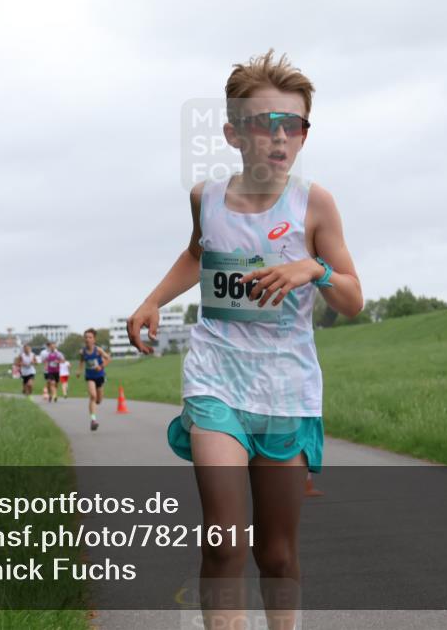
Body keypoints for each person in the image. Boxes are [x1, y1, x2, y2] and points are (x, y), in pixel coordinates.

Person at [126, 50, 362, 629]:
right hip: (216, 380)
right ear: (233, 132)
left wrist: (314, 270)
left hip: (286, 389)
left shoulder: (316, 206)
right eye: (265, 124)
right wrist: (154, 300)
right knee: (225, 544)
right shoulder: (205, 197)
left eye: (294, 126)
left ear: (305, 135)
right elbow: (197, 253)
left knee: (275, 554)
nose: (280, 139)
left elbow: (353, 299)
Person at [77, 328, 111, 432]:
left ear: (94, 339)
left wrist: (101, 366)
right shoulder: (83, 352)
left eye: (90, 337)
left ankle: (95, 405)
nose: (88, 339)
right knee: (93, 396)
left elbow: (108, 359)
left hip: (100, 376)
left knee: (99, 400)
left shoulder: (98, 350)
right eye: (86, 337)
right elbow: (82, 362)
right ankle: (93, 420)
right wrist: (79, 371)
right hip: (90, 376)